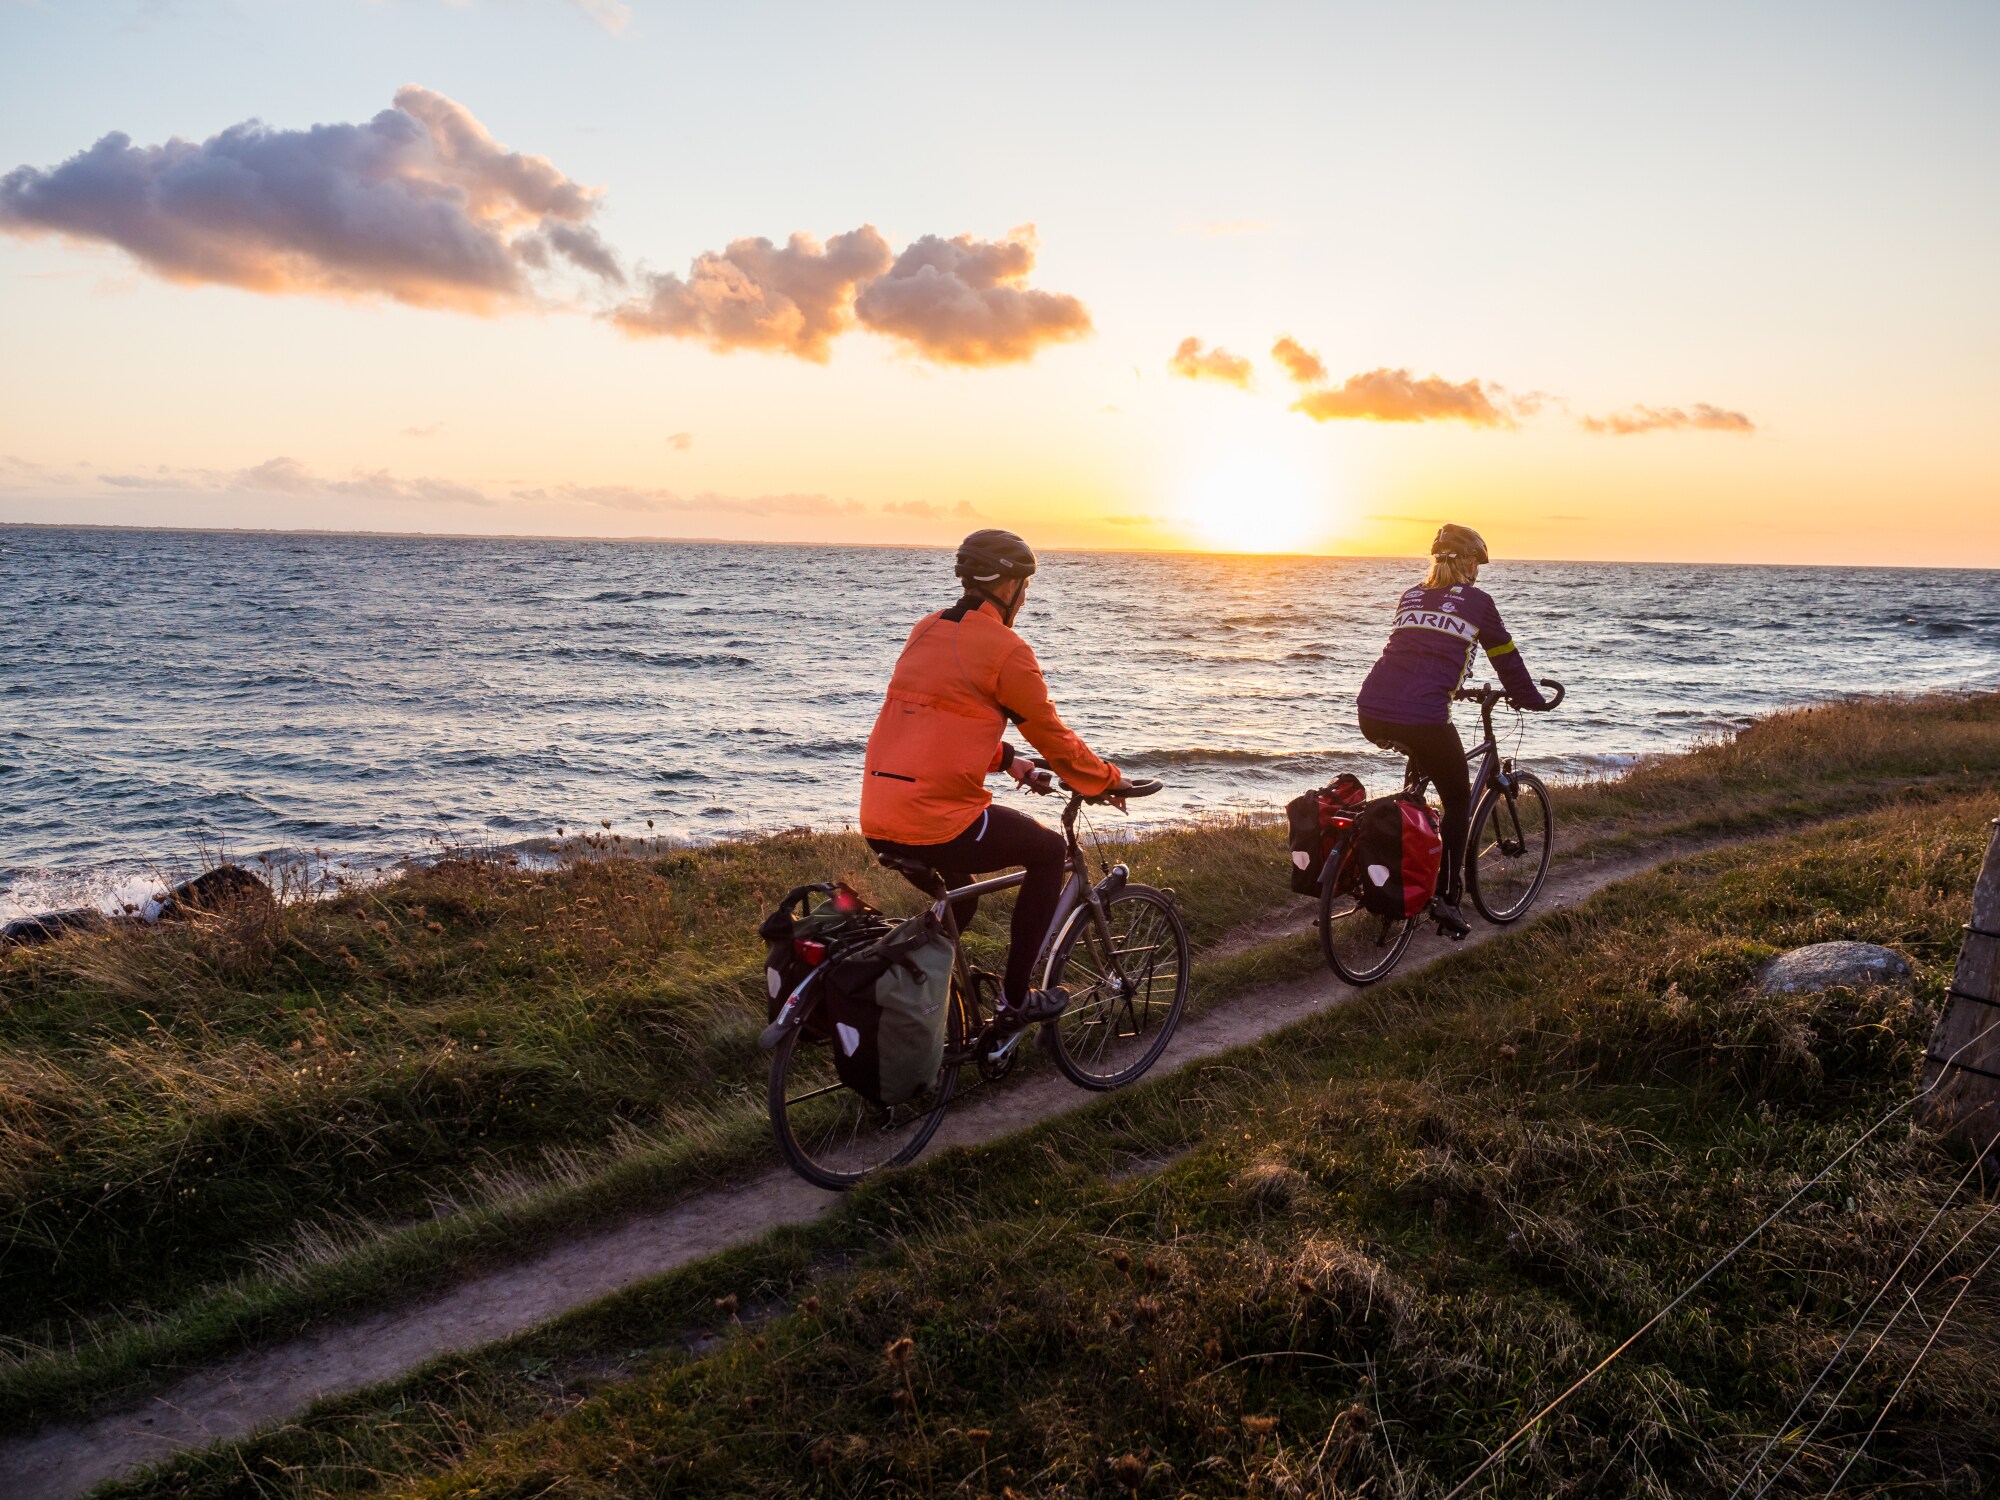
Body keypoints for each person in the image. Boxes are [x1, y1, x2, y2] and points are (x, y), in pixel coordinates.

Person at [861, 529, 1127, 1029]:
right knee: (1048, 853)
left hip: (879, 815)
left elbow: (938, 726)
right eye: (1025, 586)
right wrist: (1106, 780)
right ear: (1007, 587)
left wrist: (1008, 761)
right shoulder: (1006, 649)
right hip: (936, 821)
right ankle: (1014, 1002)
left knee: (958, 910)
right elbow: (1052, 735)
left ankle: (915, 1013)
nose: (1026, 597)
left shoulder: (926, 628)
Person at [1355, 524, 1549, 937]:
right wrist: (1531, 698)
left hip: (1371, 710)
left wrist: (1453, 685)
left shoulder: (1411, 595)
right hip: (1422, 716)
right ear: (1464, 561)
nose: (1477, 571)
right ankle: (1447, 896)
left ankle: (1395, 857)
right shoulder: (1478, 603)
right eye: (1476, 562)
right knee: (1458, 800)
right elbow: (1505, 657)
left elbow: (1421, 652)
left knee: (1420, 782)